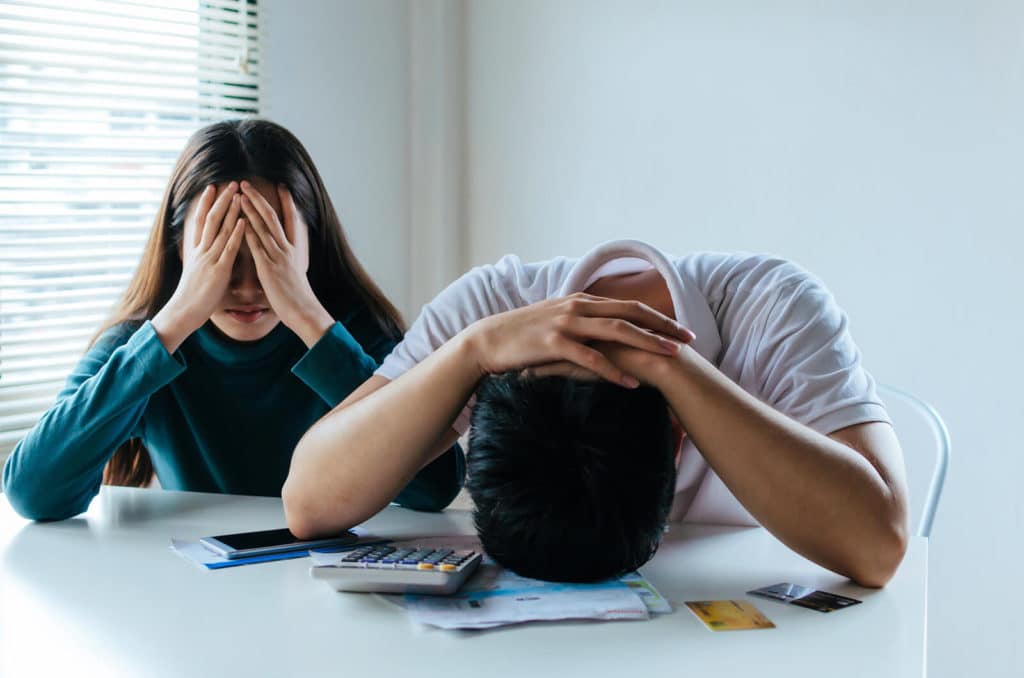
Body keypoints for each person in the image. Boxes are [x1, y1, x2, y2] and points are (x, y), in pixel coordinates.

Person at [283, 239, 909, 587]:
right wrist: (471, 351)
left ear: (678, 439)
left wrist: (671, 363)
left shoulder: (774, 308)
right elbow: (309, 502)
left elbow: (879, 549)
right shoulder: (487, 312)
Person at [2, 119, 463, 521]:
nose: (246, 286)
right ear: (179, 249)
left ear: (311, 244)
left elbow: (436, 487)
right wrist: (177, 318)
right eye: (219, 254)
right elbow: (32, 491)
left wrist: (309, 321)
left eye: (269, 249)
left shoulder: (354, 334)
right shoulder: (148, 345)